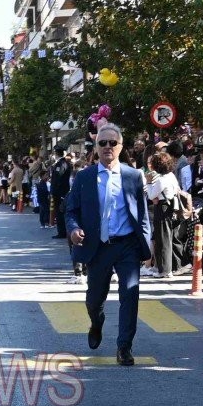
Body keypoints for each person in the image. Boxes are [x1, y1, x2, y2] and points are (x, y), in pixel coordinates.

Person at [65, 123, 152, 365]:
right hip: (98, 247)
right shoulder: (84, 177)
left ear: (121, 146)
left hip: (127, 246)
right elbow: (71, 210)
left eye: (113, 142)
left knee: (130, 294)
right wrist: (73, 230)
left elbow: (142, 214)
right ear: (96, 147)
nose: (107, 147)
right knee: (94, 299)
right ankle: (97, 321)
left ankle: (124, 347)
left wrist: (148, 246)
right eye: (103, 143)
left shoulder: (133, 176)